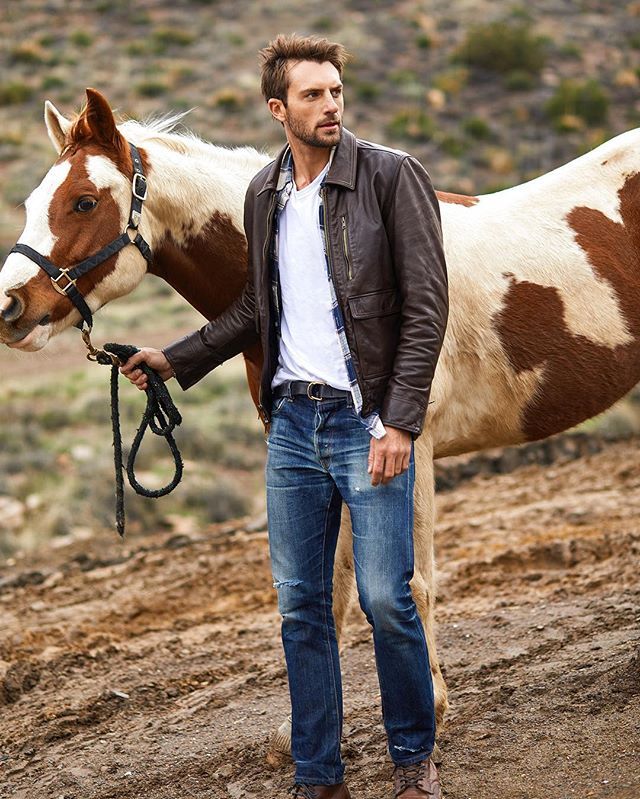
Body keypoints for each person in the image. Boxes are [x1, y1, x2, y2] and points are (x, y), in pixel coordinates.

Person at [121, 33, 448, 799]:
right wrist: (178, 357)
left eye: (335, 91)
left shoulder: (392, 178)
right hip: (293, 429)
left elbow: (428, 310)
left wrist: (399, 421)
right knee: (302, 607)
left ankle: (413, 762)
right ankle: (318, 775)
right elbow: (253, 310)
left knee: (385, 599)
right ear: (279, 108)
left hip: (367, 424)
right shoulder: (265, 194)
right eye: (312, 95)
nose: (330, 104)